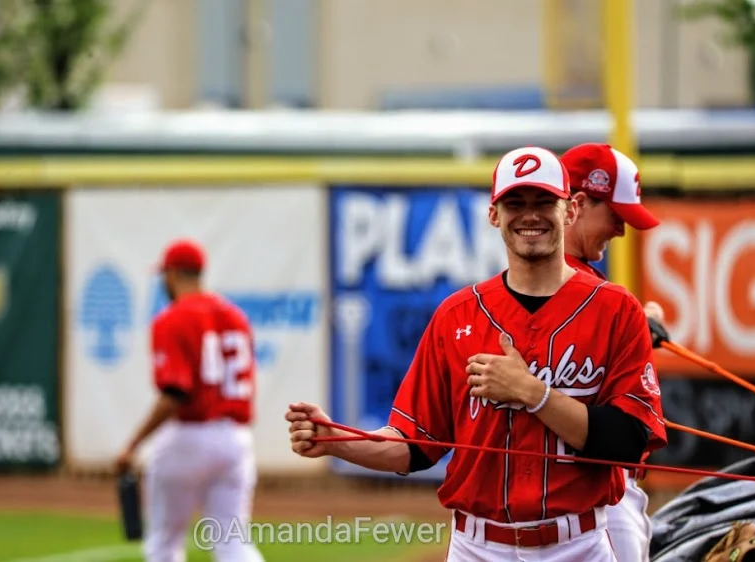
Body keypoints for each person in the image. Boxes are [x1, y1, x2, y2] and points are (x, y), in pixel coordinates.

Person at [286, 146, 668, 561]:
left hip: (577, 545)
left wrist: (534, 394)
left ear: (570, 211)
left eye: (544, 202)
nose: (530, 215)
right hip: (479, 548)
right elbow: (415, 445)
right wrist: (340, 442)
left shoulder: (616, 309)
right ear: (493, 215)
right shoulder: (457, 315)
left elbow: (630, 441)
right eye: (515, 203)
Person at [116, 239, 264, 562]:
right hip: (235, 439)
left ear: (171, 274)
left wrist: (133, 444)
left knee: (164, 543)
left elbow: (175, 394)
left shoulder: (172, 319)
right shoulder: (236, 317)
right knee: (232, 543)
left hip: (188, 436)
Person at [560, 142, 666, 561]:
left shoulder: (593, 290)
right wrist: (639, 321)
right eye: (615, 216)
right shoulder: (554, 286)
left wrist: (638, 321)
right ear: (579, 204)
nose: (621, 230)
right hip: (595, 495)